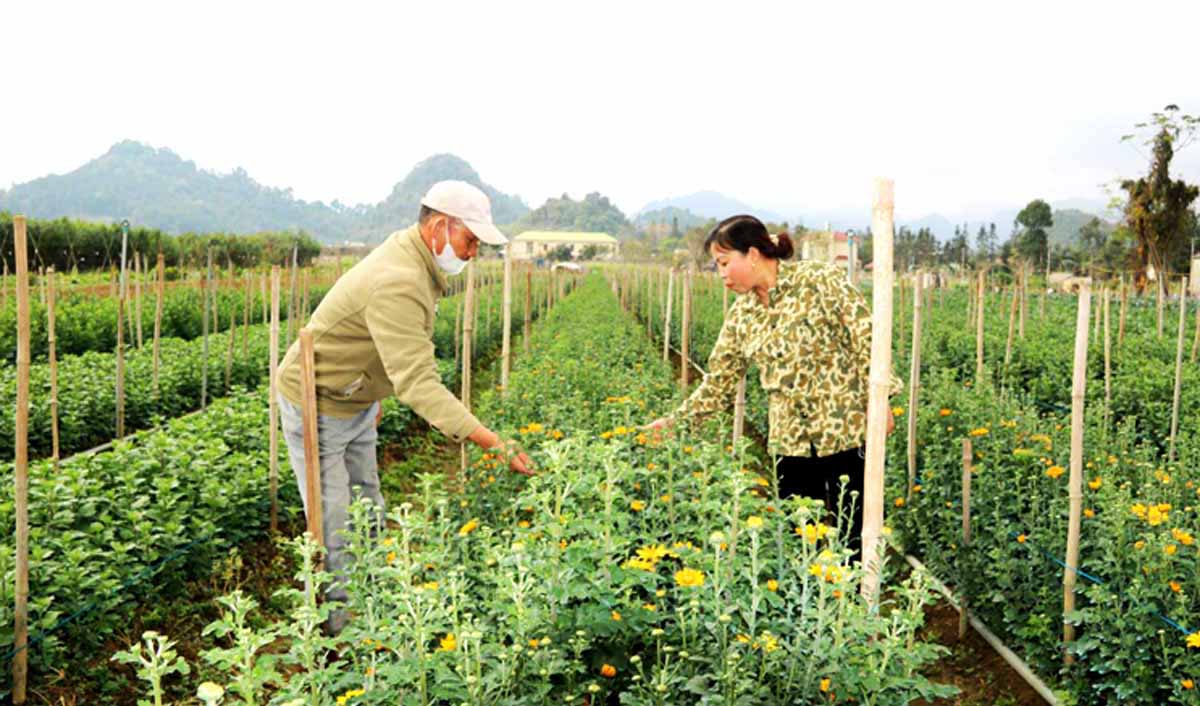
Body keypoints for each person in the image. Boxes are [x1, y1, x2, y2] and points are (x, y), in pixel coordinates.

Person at [276, 180, 533, 633]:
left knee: (368, 510)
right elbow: (418, 383)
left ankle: (370, 607)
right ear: (438, 227)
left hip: (355, 399)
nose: (473, 253)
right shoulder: (399, 278)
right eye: (470, 240)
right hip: (317, 403)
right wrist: (492, 442)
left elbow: (388, 348)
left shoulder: (413, 257)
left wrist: (370, 393)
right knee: (335, 524)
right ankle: (345, 639)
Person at [646, 214, 897, 559]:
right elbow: (718, 382)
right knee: (798, 549)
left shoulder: (819, 281)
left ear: (751, 253)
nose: (721, 274)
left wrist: (880, 402)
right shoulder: (742, 316)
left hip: (847, 434)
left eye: (724, 263)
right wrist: (676, 422)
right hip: (790, 446)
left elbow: (867, 338)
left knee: (856, 541)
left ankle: (858, 611)